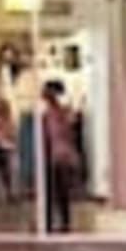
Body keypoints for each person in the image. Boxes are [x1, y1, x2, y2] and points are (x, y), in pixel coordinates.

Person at [36, 78, 88, 233]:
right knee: (52, 189)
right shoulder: (47, 114)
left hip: (61, 155)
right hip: (54, 155)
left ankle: (61, 221)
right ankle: (51, 221)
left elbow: (68, 133)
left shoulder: (61, 113)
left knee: (60, 189)